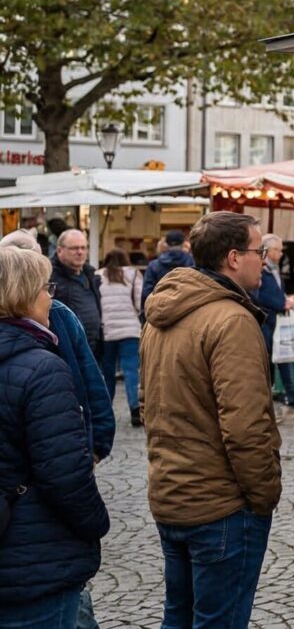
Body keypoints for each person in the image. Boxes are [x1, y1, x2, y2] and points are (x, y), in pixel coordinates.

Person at [141, 212, 281, 629]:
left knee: (178, 618)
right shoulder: (230, 319)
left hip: (172, 494)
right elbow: (245, 426)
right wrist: (264, 495)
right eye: (260, 253)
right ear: (234, 258)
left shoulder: (163, 313)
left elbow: (152, 406)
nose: (265, 262)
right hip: (221, 505)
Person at [0, 246, 111, 629]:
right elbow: (65, 475)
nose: (51, 296)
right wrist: (97, 524)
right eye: (45, 287)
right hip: (34, 560)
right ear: (23, 293)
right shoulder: (43, 367)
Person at [252, 234, 294, 407]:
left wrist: (285, 300)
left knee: (282, 357)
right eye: (278, 250)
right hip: (267, 322)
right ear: (268, 250)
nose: (282, 253)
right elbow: (261, 295)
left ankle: (288, 392)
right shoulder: (261, 269)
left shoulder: (273, 268)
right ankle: (267, 394)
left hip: (276, 321)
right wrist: (282, 303)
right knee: (267, 359)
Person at [97, 249, 145, 428]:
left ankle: (106, 410)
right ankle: (134, 410)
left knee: (107, 372)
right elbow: (140, 302)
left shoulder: (98, 275)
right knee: (131, 370)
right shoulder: (133, 274)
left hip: (107, 330)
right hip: (130, 330)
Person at [49, 230, 104, 365]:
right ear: (60, 250)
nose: (80, 252)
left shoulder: (89, 274)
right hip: (64, 350)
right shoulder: (50, 275)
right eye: (74, 248)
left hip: (91, 347)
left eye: (83, 247)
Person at [139, 230, 194, 314]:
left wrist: (144, 313)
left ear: (166, 244)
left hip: (160, 312)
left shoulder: (154, 265)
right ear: (183, 243)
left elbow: (147, 292)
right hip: (187, 311)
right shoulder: (193, 263)